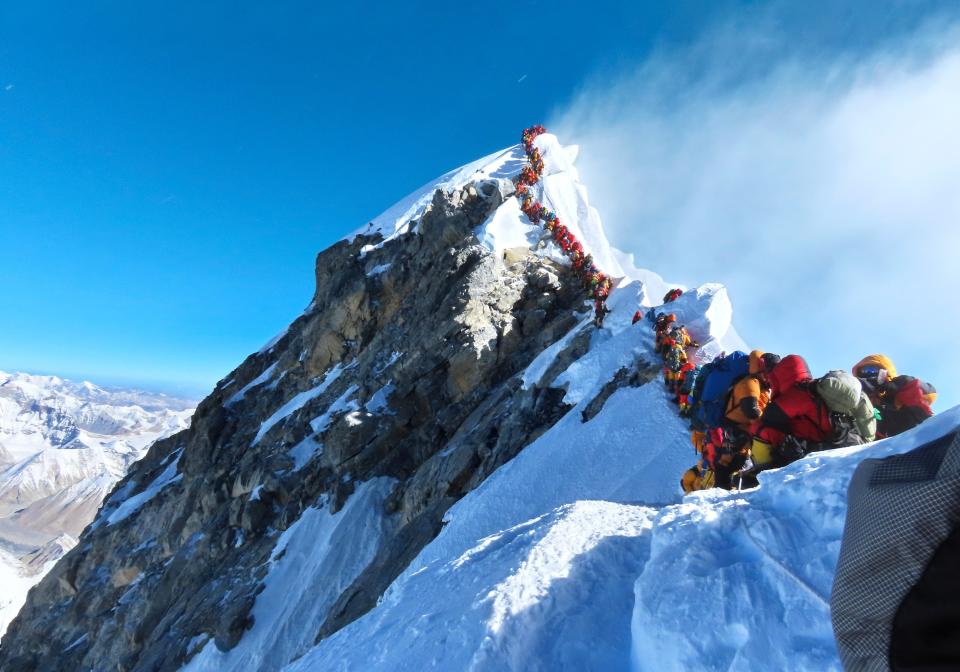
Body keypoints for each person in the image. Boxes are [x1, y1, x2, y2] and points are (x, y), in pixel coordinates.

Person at [749, 354, 835, 470]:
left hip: (810, 447)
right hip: (815, 443)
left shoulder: (798, 393)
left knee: (760, 428)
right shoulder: (809, 389)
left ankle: (759, 473)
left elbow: (770, 416)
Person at [852, 354, 936, 438]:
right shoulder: (862, 403)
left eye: (871, 370)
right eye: (861, 372)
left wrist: (903, 384)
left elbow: (930, 393)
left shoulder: (901, 390)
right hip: (885, 447)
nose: (866, 374)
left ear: (885, 371)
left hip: (922, 440)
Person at [724, 351, 780, 432]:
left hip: (739, 427)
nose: (772, 377)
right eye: (771, 372)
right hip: (734, 427)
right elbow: (751, 411)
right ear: (762, 368)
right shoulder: (751, 382)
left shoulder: (762, 387)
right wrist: (769, 430)